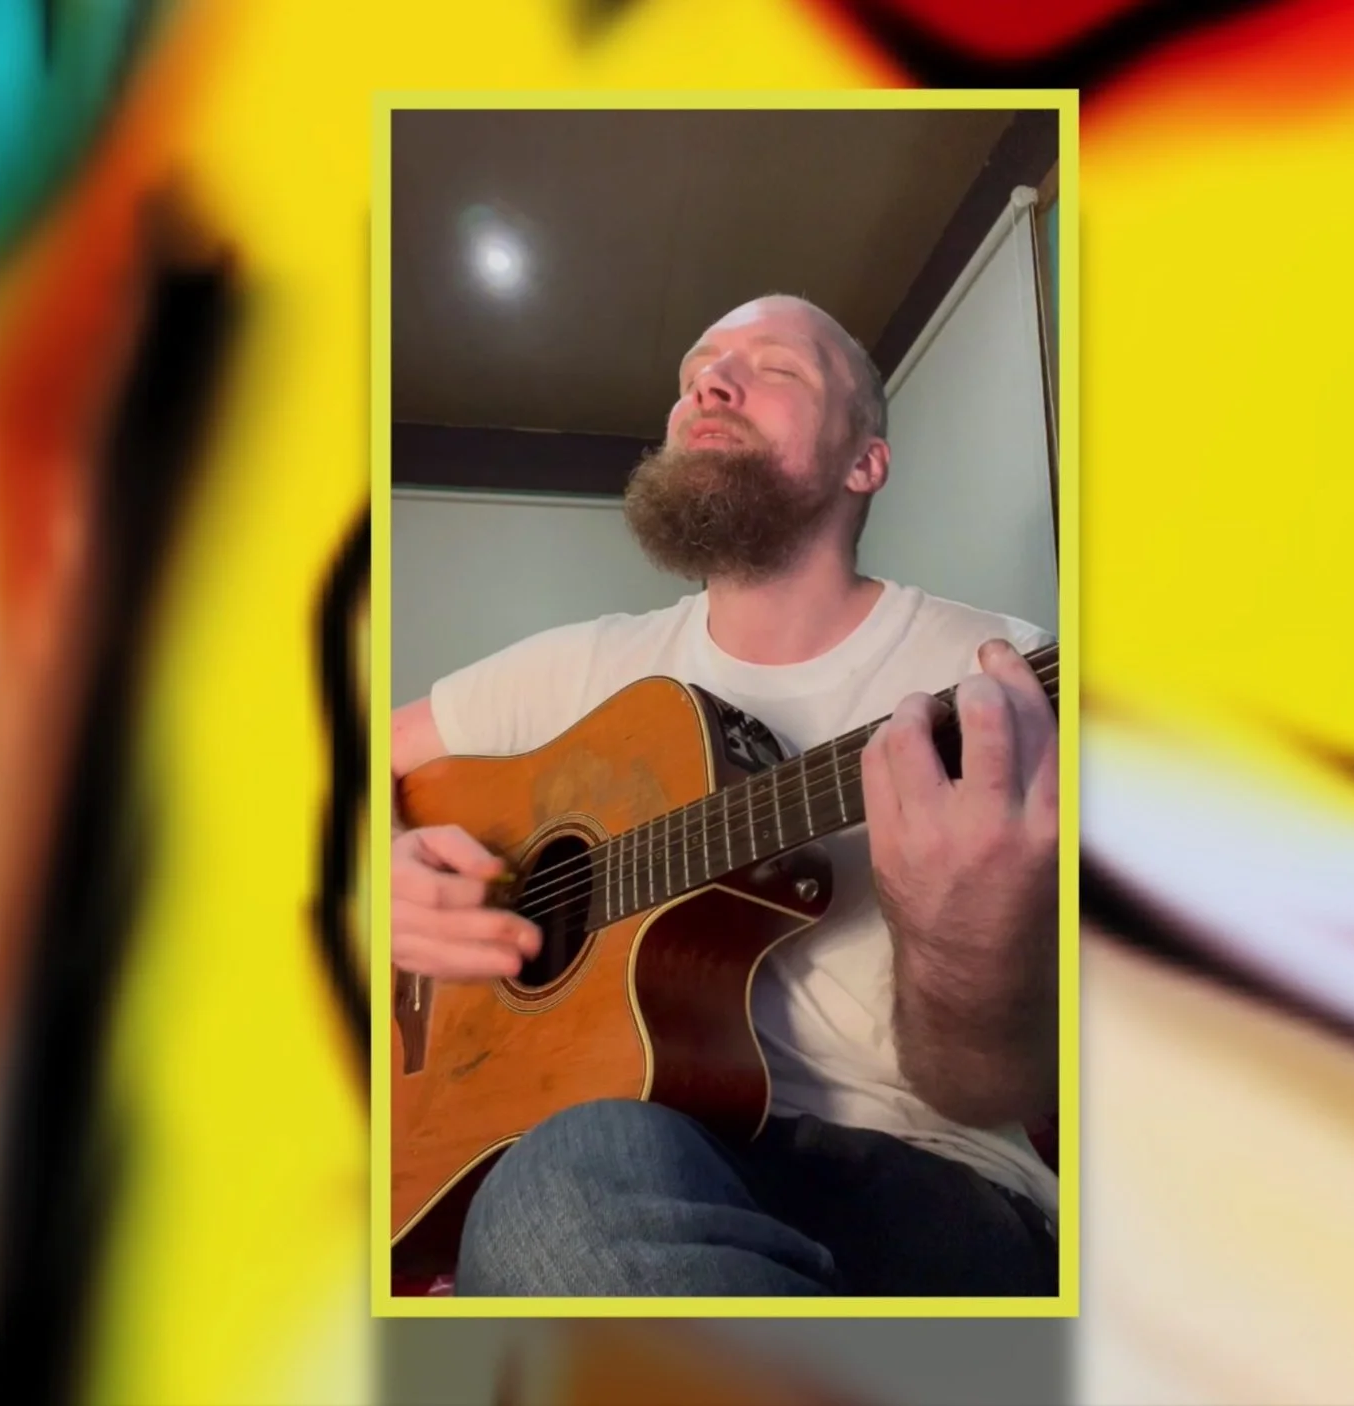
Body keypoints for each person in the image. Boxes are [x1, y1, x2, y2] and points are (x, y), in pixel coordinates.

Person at [389, 293, 1061, 1296]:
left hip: (931, 1186)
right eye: (695, 370)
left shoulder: (1001, 685)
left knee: (556, 1193)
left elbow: (997, 1088)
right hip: (616, 1157)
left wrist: (966, 939)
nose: (708, 381)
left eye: (774, 368)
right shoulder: (587, 666)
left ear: (862, 460)